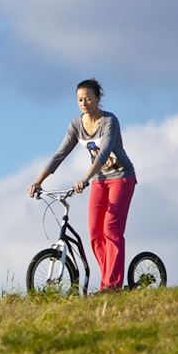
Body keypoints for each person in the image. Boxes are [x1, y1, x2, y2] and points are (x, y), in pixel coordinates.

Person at [28, 79, 137, 292]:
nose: (84, 103)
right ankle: (108, 281)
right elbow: (59, 155)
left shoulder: (109, 121)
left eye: (88, 98)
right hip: (99, 181)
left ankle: (112, 285)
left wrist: (85, 178)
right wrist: (38, 181)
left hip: (121, 177)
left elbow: (104, 152)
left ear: (98, 98)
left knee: (111, 230)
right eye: (79, 99)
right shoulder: (76, 125)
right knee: (95, 234)